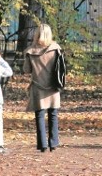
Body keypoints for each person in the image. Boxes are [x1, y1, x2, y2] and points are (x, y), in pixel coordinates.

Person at [23, 24, 62, 152]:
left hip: (38, 86)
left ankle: (43, 144)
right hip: (53, 85)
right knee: (53, 115)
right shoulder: (56, 49)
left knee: (39, 115)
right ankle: (53, 143)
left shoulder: (30, 51)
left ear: (37, 34)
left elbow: (26, 70)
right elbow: (61, 69)